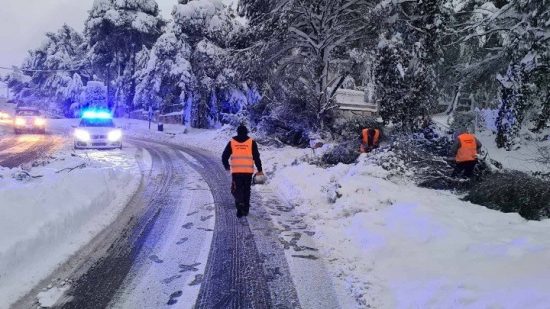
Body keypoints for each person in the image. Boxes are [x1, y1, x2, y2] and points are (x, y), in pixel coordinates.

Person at [222, 125, 263, 218]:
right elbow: (256, 157)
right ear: (246, 132)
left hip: (236, 171)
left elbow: (224, 156)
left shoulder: (232, 142)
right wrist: (259, 169)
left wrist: (227, 166)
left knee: (237, 189)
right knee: (247, 190)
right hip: (248, 171)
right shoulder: (251, 142)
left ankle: (239, 208)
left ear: (237, 132)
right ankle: (246, 209)